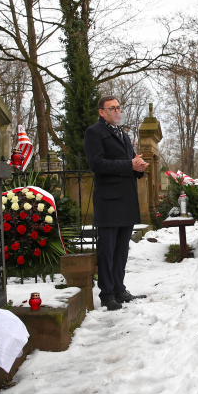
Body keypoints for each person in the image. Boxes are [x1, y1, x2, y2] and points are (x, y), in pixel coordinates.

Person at [84, 96, 148, 311]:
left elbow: (129, 163)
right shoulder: (95, 132)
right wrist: (129, 164)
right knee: (107, 249)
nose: (117, 111)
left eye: (119, 108)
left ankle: (119, 288)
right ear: (101, 112)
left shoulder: (124, 134)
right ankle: (107, 293)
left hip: (127, 199)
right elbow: (97, 163)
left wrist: (138, 167)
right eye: (112, 108)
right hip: (109, 200)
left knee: (121, 248)